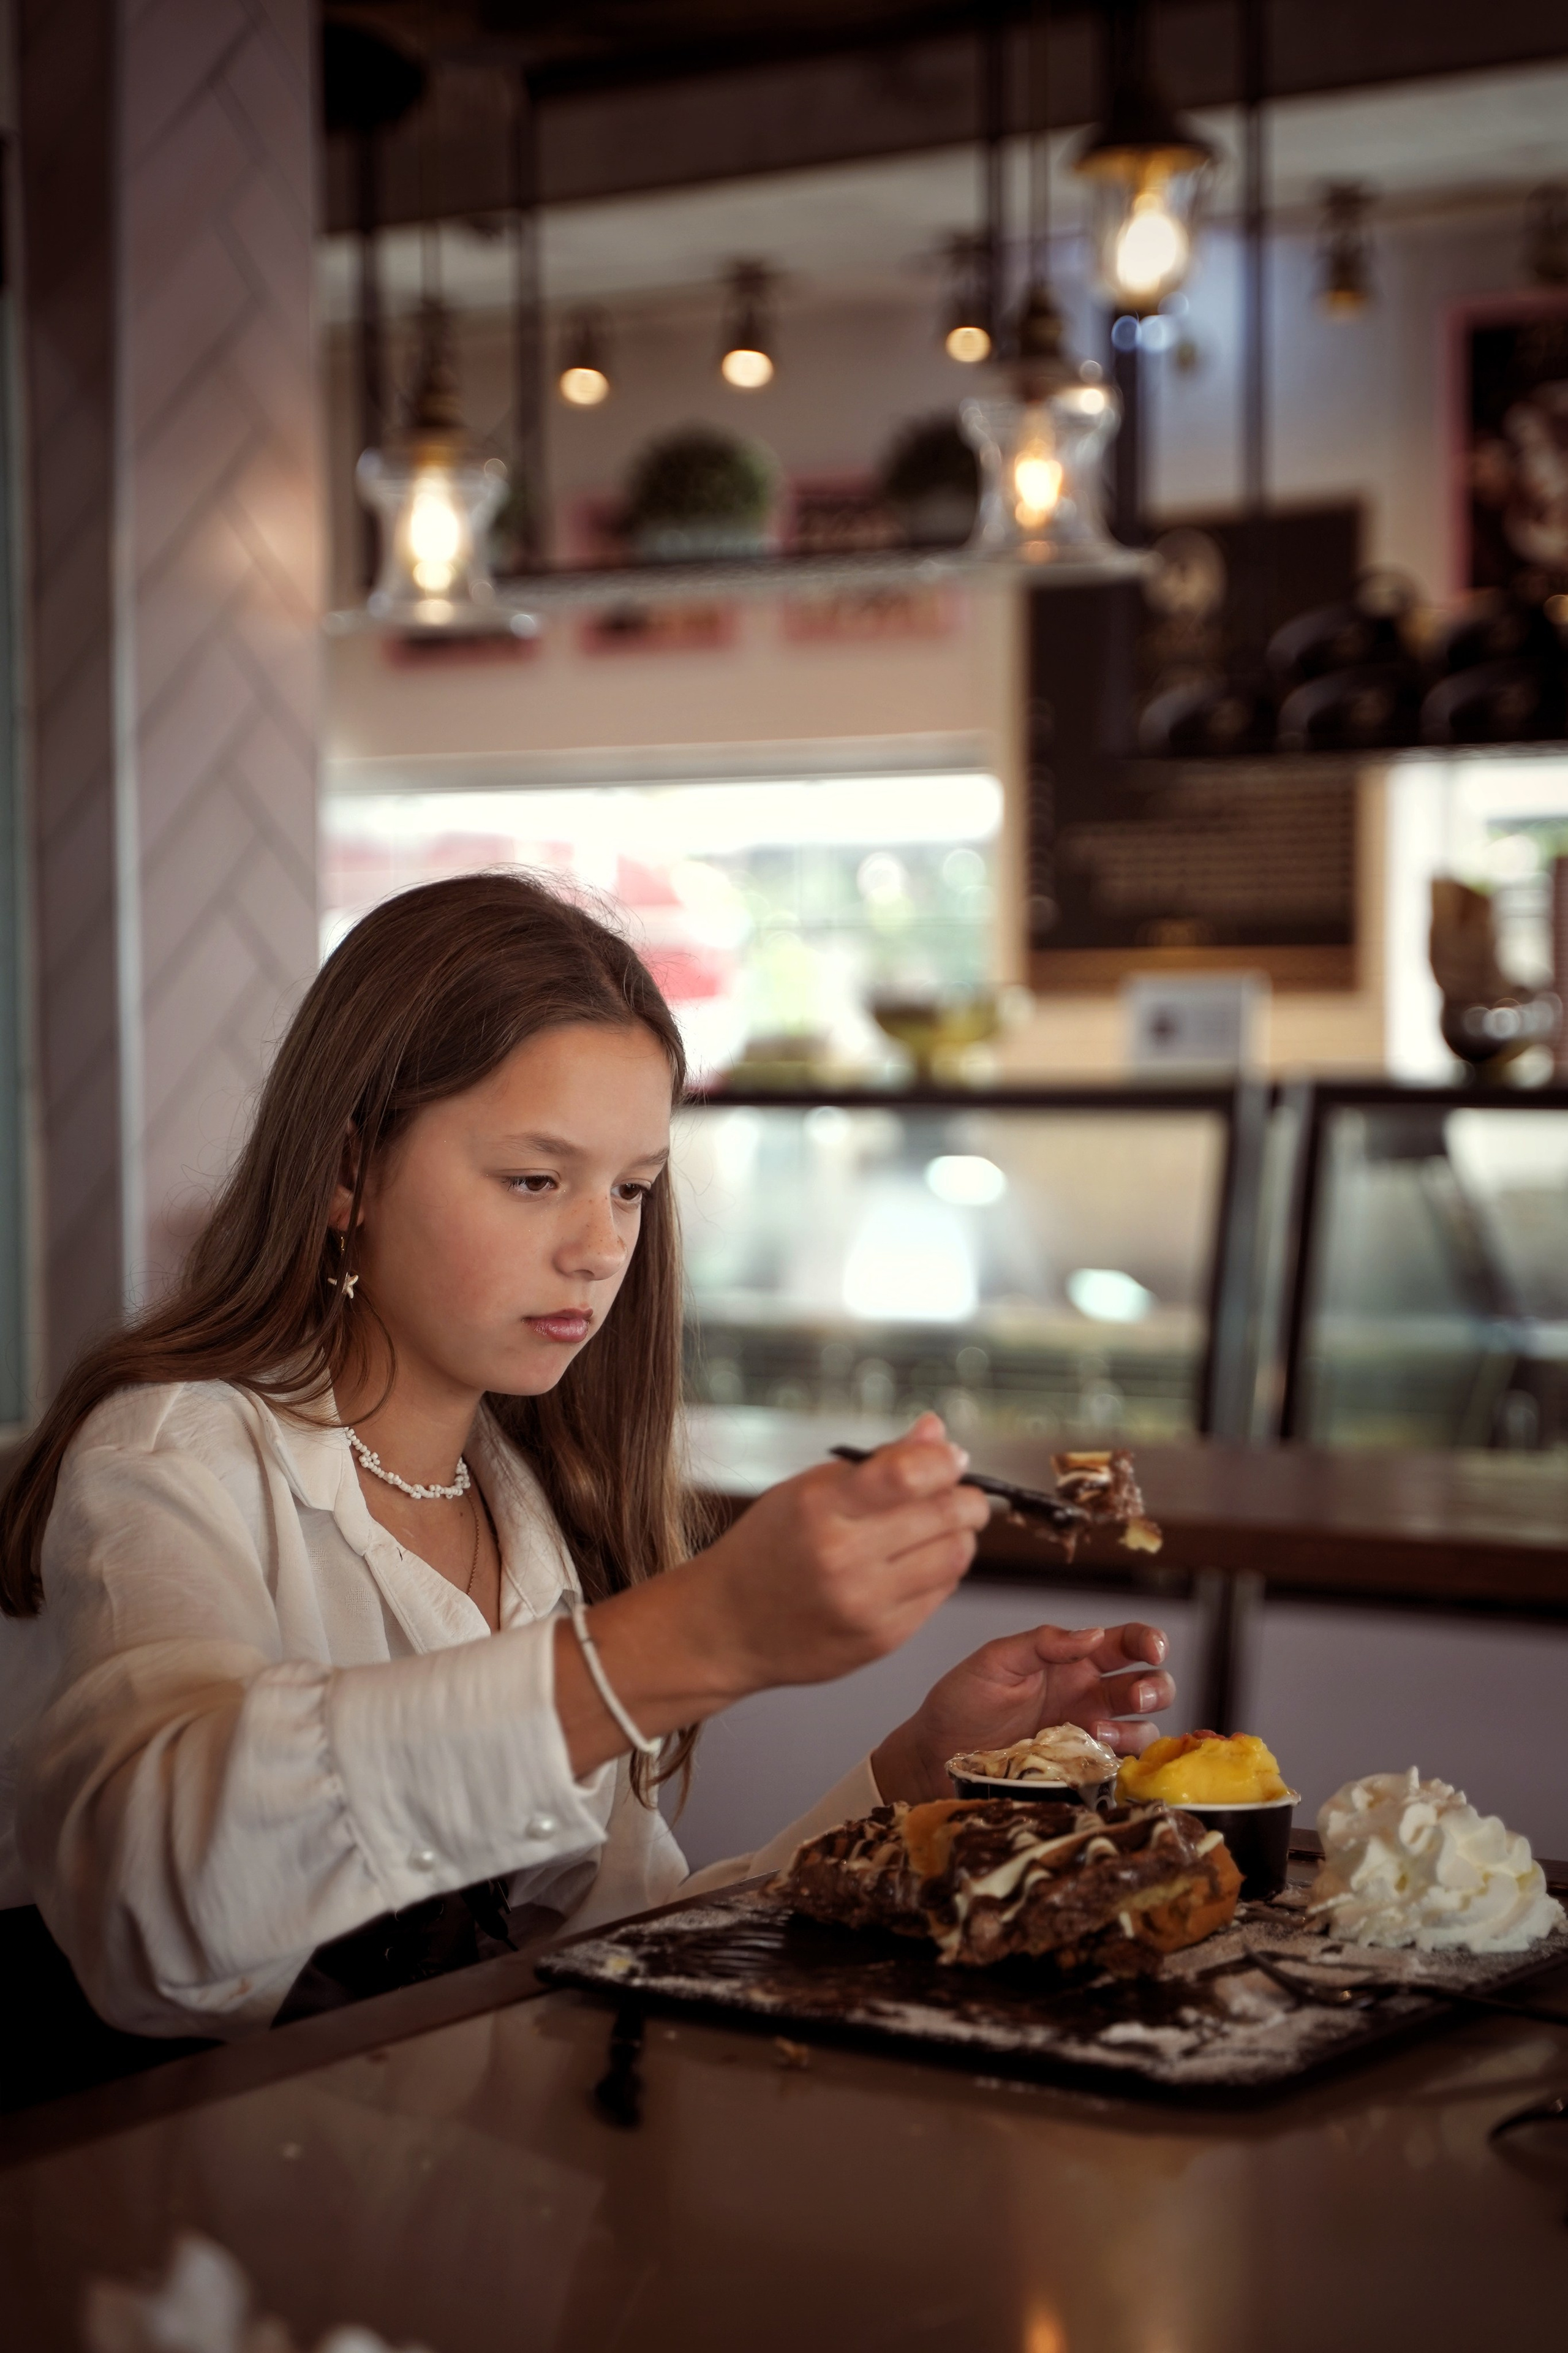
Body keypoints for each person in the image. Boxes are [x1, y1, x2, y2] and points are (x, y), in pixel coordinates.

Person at [0, 874, 1174, 2055]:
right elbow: (150, 1904)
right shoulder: (175, 1454)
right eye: (533, 1180)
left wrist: (916, 1779)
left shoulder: (531, 1508)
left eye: (631, 1189)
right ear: (348, 1170)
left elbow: (624, 1949)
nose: (600, 1247)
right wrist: (689, 1639)